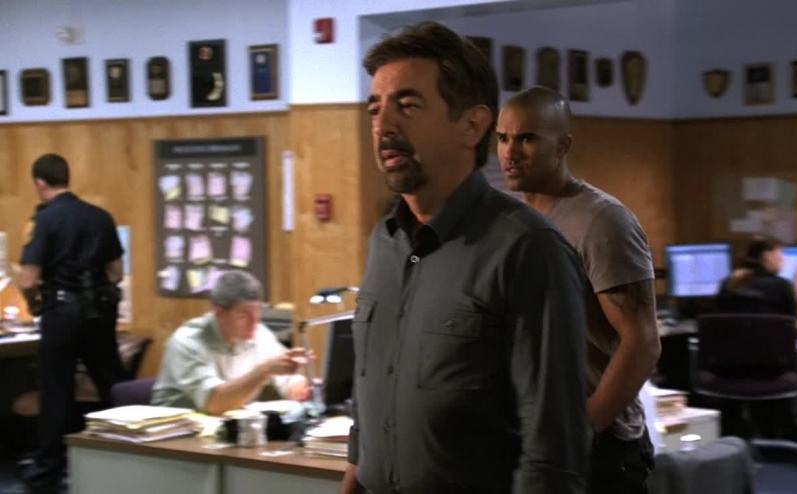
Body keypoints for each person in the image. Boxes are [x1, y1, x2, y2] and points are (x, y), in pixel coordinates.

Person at [341, 22, 589, 494]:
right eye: (375, 109)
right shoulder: (384, 241)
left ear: (472, 125)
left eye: (408, 106)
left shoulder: (527, 248)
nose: (383, 126)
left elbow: (553, 448)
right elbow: (371, 399)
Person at [496, 86, 661, 493]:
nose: (510, 152)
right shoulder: (509, 220)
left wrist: (581, 429)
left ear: (563, 145)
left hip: (599, 449)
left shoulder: (601, 221)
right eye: (503, 138)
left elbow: (642, 343)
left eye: (527, 138)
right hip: (530, 441)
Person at [19, 153, 126, 491]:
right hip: (99, 313)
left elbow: (28, 279)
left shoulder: (44, 219)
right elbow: (116, 272)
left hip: (61, 313)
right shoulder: (100, 216)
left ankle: (49, 470)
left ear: (40, 183)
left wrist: (35, 305)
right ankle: (128, 456)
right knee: (111, 384)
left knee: (56, 391)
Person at [151, 270, 310, 416]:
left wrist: (296, 387)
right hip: (175, 431)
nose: (254, 323)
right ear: (219, 313)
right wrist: (264, 371)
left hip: (229, 428)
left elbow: (287, 380)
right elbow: (214, 404)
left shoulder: (260, 334)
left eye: (257, 313)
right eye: (243, 316)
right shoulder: (188, 341)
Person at [716, 238, 797, 315]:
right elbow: (792, 319)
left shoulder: (727, 283)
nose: (783, 259)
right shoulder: (782, 285)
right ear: (767, 256)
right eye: (781, 253)